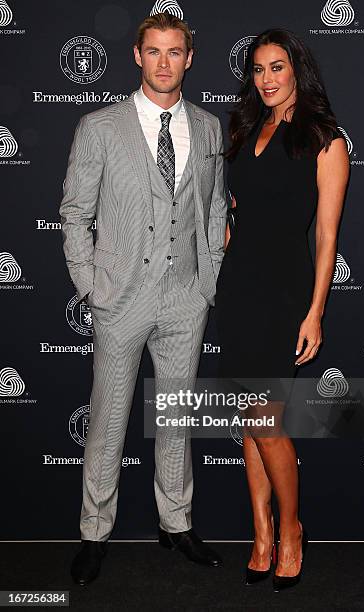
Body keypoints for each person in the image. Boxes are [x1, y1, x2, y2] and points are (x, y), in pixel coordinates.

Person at [60, 12, 227, 586]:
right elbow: (76, 214)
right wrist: (91, 285)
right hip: (120, 299)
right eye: (153, 51)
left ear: (189, 58)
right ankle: (93, 532)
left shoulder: (208, 128)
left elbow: (213, 212)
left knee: (176, 418)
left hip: (185, 299)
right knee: (108, 420)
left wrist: (208, 282)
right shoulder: (99, 127)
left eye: (174, 52)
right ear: (137, 55)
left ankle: (175, 524)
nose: (163, 62)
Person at [215, 29, 349, 591]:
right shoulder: (246, 127)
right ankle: (262, 536)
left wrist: (315, 310)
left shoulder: (325, 138)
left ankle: (292, 531)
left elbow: (326, 234)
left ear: (298, 70)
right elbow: (237, 203)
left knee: (265, 420)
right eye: (258, 69)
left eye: (277, 67)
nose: (266, 79)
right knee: (250, 420)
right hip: (239, 283)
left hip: (283, 290)